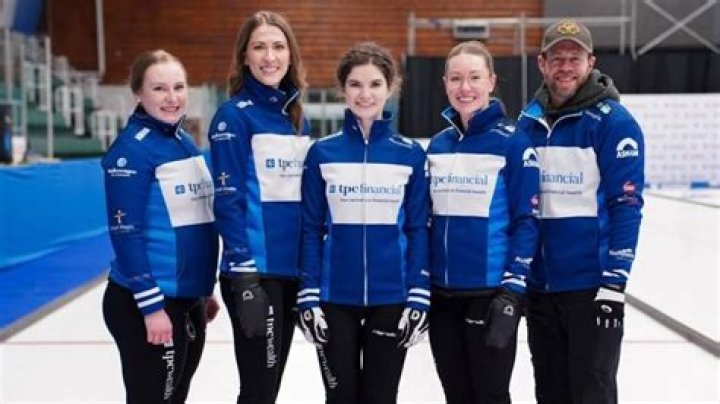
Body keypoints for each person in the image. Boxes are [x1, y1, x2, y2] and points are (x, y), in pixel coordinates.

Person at [516, 20, 645, 404]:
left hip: (591, 288)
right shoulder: (528, 122)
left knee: (592, 392)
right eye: (557, 58)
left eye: (575, 58)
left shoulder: (613, 122)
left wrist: (615, 281)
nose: (566, 67)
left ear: (591, 62)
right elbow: (521, 206)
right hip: (541, 288)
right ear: (542, 63)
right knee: (550, 392)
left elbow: (626, 204)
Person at [296, 41, 430, 404]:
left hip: (392, 297)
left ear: (390, 88)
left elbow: (418, 229)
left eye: (374, 84)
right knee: (339, 397)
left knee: (381, 397)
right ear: (343, 89)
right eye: (355, 84)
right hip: (333, 299)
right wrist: (308, 295)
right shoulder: (322, 153)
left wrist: (419, 294)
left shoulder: (410, 154)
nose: (365, 94)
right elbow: (311, 229)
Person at [101, 49, 220, 404]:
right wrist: (151, 307)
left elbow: (195, 219)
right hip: (151, 301)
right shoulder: (131, 151)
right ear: (138, 93)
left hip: (187, 298)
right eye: (159, 89)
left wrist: (203, 289)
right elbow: (126, 232)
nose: (172, 98)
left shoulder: (183, 142)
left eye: (178, 87)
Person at [425, 40, 540, 404]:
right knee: (455, 395)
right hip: (442, 297)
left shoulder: (513, 143)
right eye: (456, 78)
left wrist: (512, 291)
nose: (465, 87)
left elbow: (527, 221)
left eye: (475, 77)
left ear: (491, 81)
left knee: (490, 395)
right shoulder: (438, 145)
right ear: (445, 83)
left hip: (488, 295)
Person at [207, 10, 310, 404]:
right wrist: (245, 276)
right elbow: (227, 200)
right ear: (245, 57)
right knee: (259, 392)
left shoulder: (296, 119)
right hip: (254, 273)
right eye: (260, 47)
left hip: (290, 273)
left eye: (278, 47)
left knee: (268, 388)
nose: (270, 57)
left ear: (290, 55)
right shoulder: (233, 116)